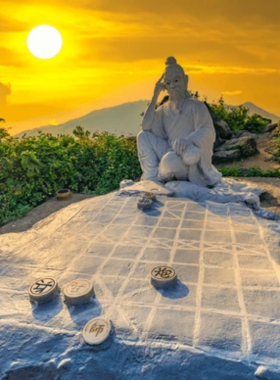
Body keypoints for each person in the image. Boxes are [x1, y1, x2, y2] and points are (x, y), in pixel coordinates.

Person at [137, 56, 222, 187]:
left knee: (169, 161)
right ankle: (152, 176)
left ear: (185, 80)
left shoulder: (196, 106)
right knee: (142, 136)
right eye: (168, 83)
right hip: (169, 149)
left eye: (176, 80)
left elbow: (207, 130)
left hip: (186, 156)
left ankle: (162, 174)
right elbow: (145, 126)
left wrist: (188, 140)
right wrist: (155, 96)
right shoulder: (163, 110)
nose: (173, 86)